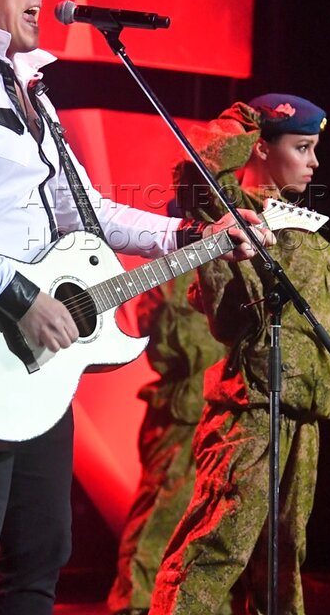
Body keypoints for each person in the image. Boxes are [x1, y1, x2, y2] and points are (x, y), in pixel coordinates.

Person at [0, 0, 265, 615]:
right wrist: (21, 299)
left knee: (41, 551)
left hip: (39, 362)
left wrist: (193, 236)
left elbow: (89, 212)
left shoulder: (34, 96)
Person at [151, 94, 330, 615]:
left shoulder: (297, 221)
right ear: (261, 147)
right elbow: (198, 165)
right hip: (253, 410)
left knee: (281, 566)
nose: (314, 161)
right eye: (301, 147)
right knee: (215, 551)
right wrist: (250, 118)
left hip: (301, 411)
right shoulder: (232, 210)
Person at [107, 250, 230, 615]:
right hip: (183, 407)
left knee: (214, 516)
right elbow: (162, 334)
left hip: (223, 406)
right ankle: (135, 602)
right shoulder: (175, 266)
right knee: (163, 508)